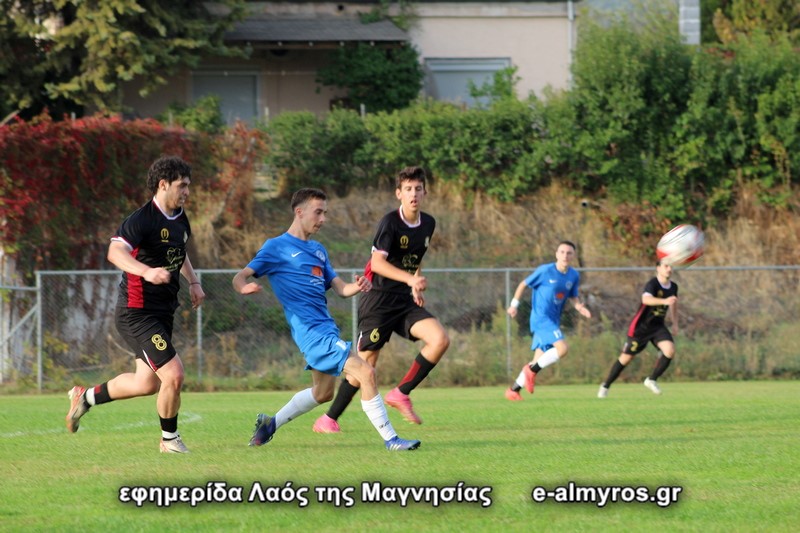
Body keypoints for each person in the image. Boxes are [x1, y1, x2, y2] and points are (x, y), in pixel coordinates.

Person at [232, 187, 420, 451]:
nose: (323, 219)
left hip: (326, 328)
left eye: (325, 213)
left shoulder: (318, 250)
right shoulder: (276, 247)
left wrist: (359, 286)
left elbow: (341, 289)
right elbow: (239, 276)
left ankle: (269, 425)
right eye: (318, 212)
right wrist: (244, 287)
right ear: (299, 212)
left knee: (323, 393)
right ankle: (392, 440)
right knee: (366, 372)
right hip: (311, 332)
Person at [66, 155, 206, 453]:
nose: (187, 191)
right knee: (174, 374)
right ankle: (170, 440)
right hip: (137, 312)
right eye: (182, 185)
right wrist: (145, 271)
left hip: (163, 312)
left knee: (146, 384)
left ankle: (85, 397)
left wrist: (193, 282)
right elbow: (115, 252)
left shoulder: (180, 218)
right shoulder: (141, 219)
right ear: (163, 184)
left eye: (188, 185)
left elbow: (179, 252)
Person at [313, 166, 449, 433]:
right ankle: (328, 419)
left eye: (418, 189)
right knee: (365, 366)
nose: (413, 194)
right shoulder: (390, 223)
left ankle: (401, 393)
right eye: (408, 189)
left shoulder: (428, 223)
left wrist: (414, 285)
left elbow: (415, 258)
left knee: (440, 339)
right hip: (378, 300)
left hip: (404, 301)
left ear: (425, 192)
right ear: (399, 193)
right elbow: (377, 263)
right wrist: (410, 280)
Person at [505, 241, 592, 401]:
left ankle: (513, 390)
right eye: (562, 252)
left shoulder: (573, 275)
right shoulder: (545, 271)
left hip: (553, 319)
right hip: (541, 318)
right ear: (556, 254)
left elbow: (573, 296)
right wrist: (514, 305)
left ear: (573, 256)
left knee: (538, 359)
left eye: (569, 253)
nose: (565, 255)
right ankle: (531, 371)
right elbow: (523, 284)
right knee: (562, 349)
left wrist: (579, 307)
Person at [598, 260, 678, 398]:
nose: (669, 269)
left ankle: (651, 380)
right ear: (658, 268)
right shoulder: (652, 284)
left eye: (671, 266)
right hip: (641, 327)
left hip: (658, 326)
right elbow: (646, 300)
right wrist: (664, 301)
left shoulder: (674, 287)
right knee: (626, 358)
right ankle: (606, 385)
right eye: (666, 266)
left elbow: (673, 303)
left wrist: (675, 323)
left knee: (669, 350)